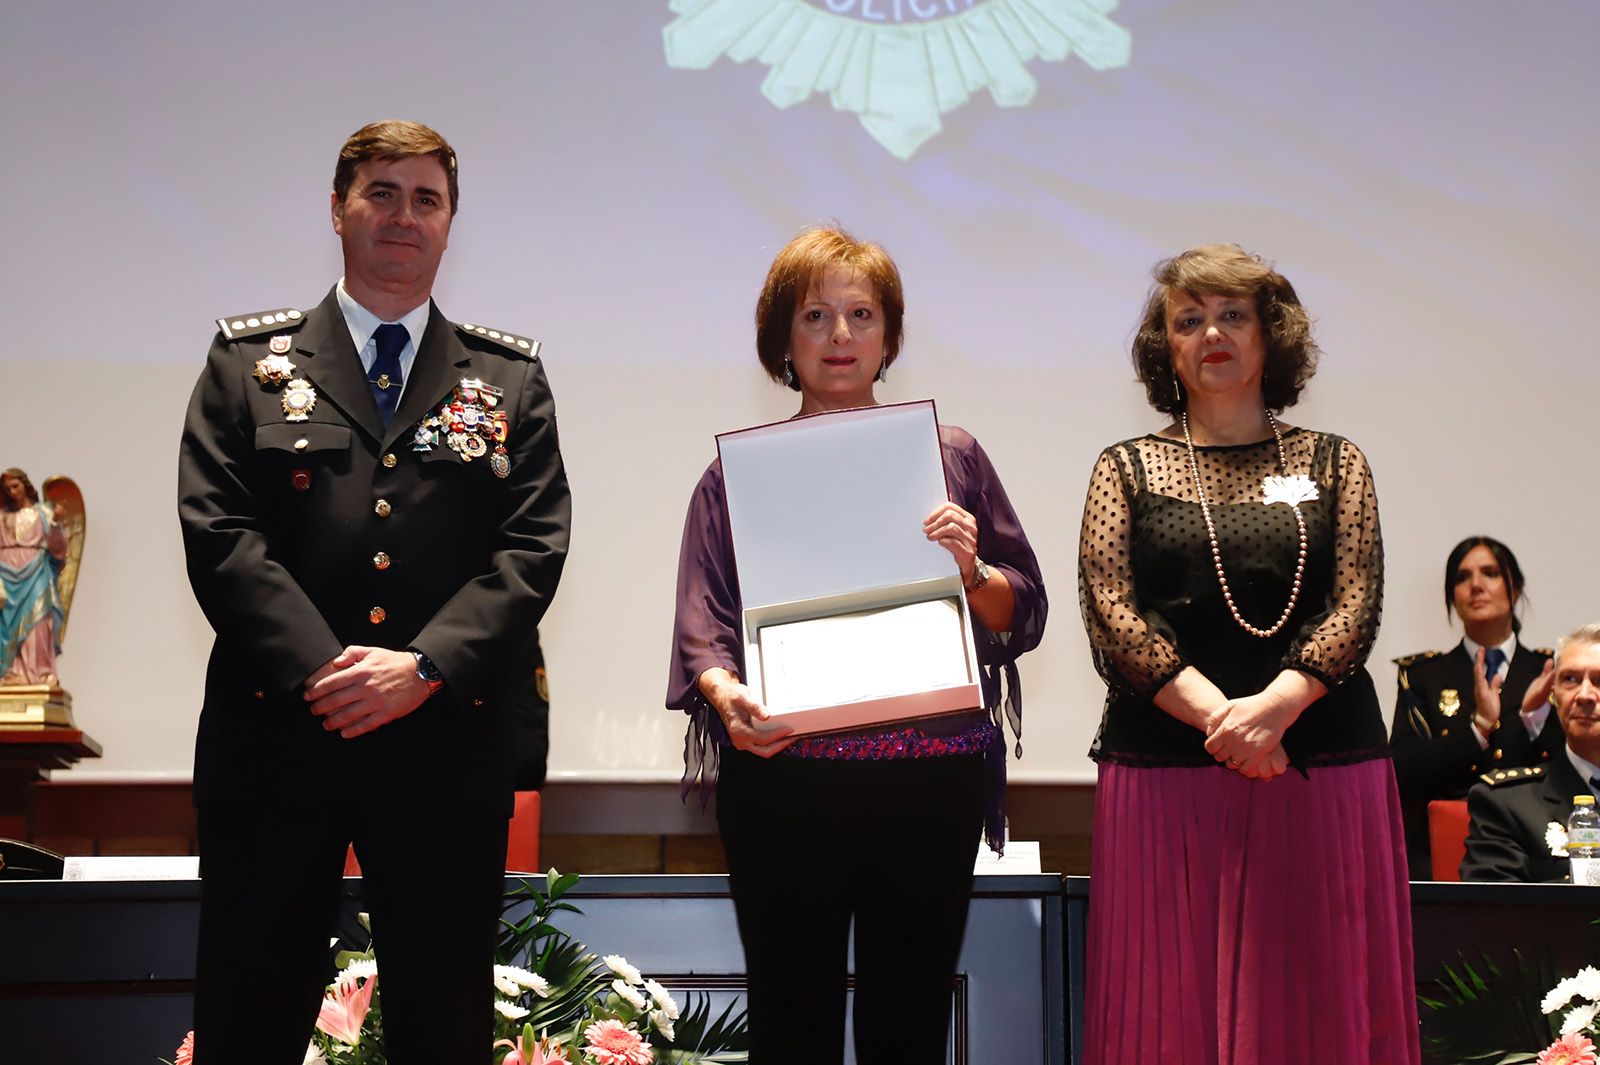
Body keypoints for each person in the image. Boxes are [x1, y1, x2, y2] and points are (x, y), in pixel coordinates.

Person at [177, 120, 570, 1065]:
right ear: (339, 209)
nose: (405, 215)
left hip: (442, 745)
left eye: (426, 199)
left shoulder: (508, 378)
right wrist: (333, 672)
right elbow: (221, 534)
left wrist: (423, 666)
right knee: (247, 1019)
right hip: (279, 741)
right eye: (382, 193)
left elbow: (532, 546)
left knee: (443, 1030)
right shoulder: (248, 365)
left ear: (449, 223)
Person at [667, 226, 1046, 1065]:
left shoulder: (952, 458)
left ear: (889, 334)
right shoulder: (736, 475)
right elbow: (706, 626)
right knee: (789, 1023)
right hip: (785, 781)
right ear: (781, 338)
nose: (840, 336)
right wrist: (730, 699)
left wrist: (970, 566)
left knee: (906, 1028)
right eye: (815, 316)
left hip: (928, 779)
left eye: (861, 314)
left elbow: (1022, 610)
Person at [1077, 244, 1418, 1063]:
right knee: (1169, 1015)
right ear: (1167, 349)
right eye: (1188, 320)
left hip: (1320, 765)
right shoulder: (1124, 468)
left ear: (1273, 336)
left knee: (1320, 1006)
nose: (1211, 334)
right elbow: (1112, 612)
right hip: (1167, 776)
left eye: (1233, 314)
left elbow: (1357, 599)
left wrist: (1273, 711)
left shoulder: (1336, 461)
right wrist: (1221, 721)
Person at [1391, 536, 1559, 878]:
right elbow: (1402, 771)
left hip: (1535, 843)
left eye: (1490, 573)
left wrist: (1534, 716)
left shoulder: (1550, 671)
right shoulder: (1422, 674)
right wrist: (1478, 728)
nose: (1476, 585)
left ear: (1516, 587)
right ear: (1452, 596)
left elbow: (1571, 762)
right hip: (1442, 849)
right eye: (1462, 577)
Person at [1462, 622, 1600, 882]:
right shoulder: (1506, 804)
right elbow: (1495, 913)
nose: (1584, 695)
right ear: (1554, 693)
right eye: (1570, 679)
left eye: (1599, 681)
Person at [0, 467, 68, 686]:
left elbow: (59, 552)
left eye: (15, 486)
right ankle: (11, 672)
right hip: (6, 574)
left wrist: (56, 524)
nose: (12, 492)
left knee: (38, 626)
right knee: (6, 628)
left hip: (36, 573)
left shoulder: (43, 513)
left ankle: (39, 673)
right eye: (7, 488)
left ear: (25, 485)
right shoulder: (1, 517)